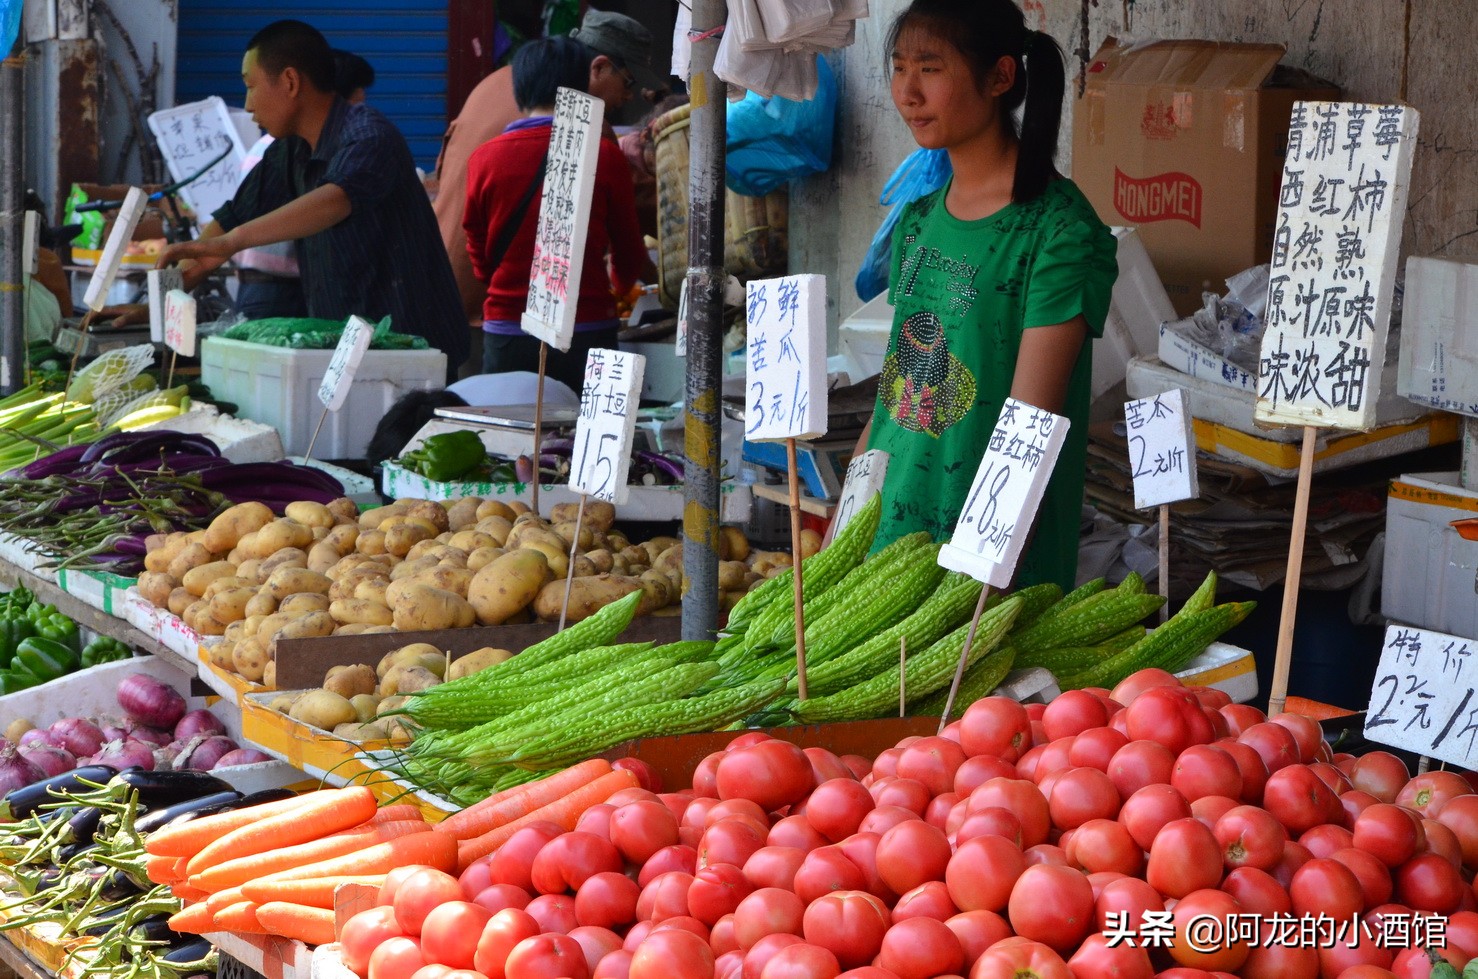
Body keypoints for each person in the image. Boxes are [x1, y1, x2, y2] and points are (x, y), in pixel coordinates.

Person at [852, 0, 1117, 591]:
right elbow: (893, 395)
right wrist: (849, 517)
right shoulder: (917, 220)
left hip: (986, 560)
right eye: (898, 68)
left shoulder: (1058, 231)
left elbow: (1031, 425)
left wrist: (977, 574)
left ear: (999, 77)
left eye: (930, 68)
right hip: (888, 541)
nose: (907, 92)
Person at [155, 20, 469, 376]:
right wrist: (165, 295)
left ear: (289, 82)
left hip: (416, 350)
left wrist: (231, 243)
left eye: (251, 86)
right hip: (348, 352)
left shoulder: (369, 135)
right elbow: (232, 217)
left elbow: (335, 200)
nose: (248, 105)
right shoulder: (288, 150)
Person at [432, 10, 663, 359]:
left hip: (472, 300)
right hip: (566, 321)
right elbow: (625, 238)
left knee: (495, 406)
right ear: (597, 68)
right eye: (628, 83)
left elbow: (454, 190)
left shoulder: (498, 81)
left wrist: (489, 274)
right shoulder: (589, 135)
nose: (628, 98)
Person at [233, 47, 377, 321]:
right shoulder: (294, 149)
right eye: (358, 105)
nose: (249, 107)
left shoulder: (281, 145)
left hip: (266, 285)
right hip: (281, 291)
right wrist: (225, 243)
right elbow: (332, 205)